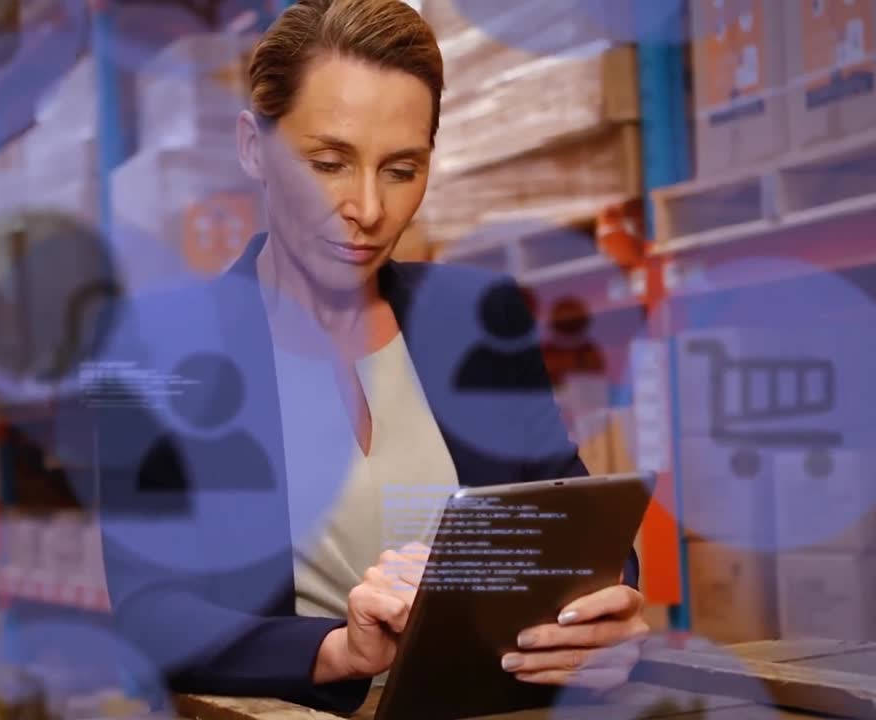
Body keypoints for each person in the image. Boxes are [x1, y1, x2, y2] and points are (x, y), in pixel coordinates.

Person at [100, 0, 650, 713]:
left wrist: (598, 614)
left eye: (401, 169)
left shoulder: (476, 318)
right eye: (328, 162)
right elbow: (150, 613)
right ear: (251, 148)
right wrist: (337, 650)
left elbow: (566, 519)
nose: (366, 207)